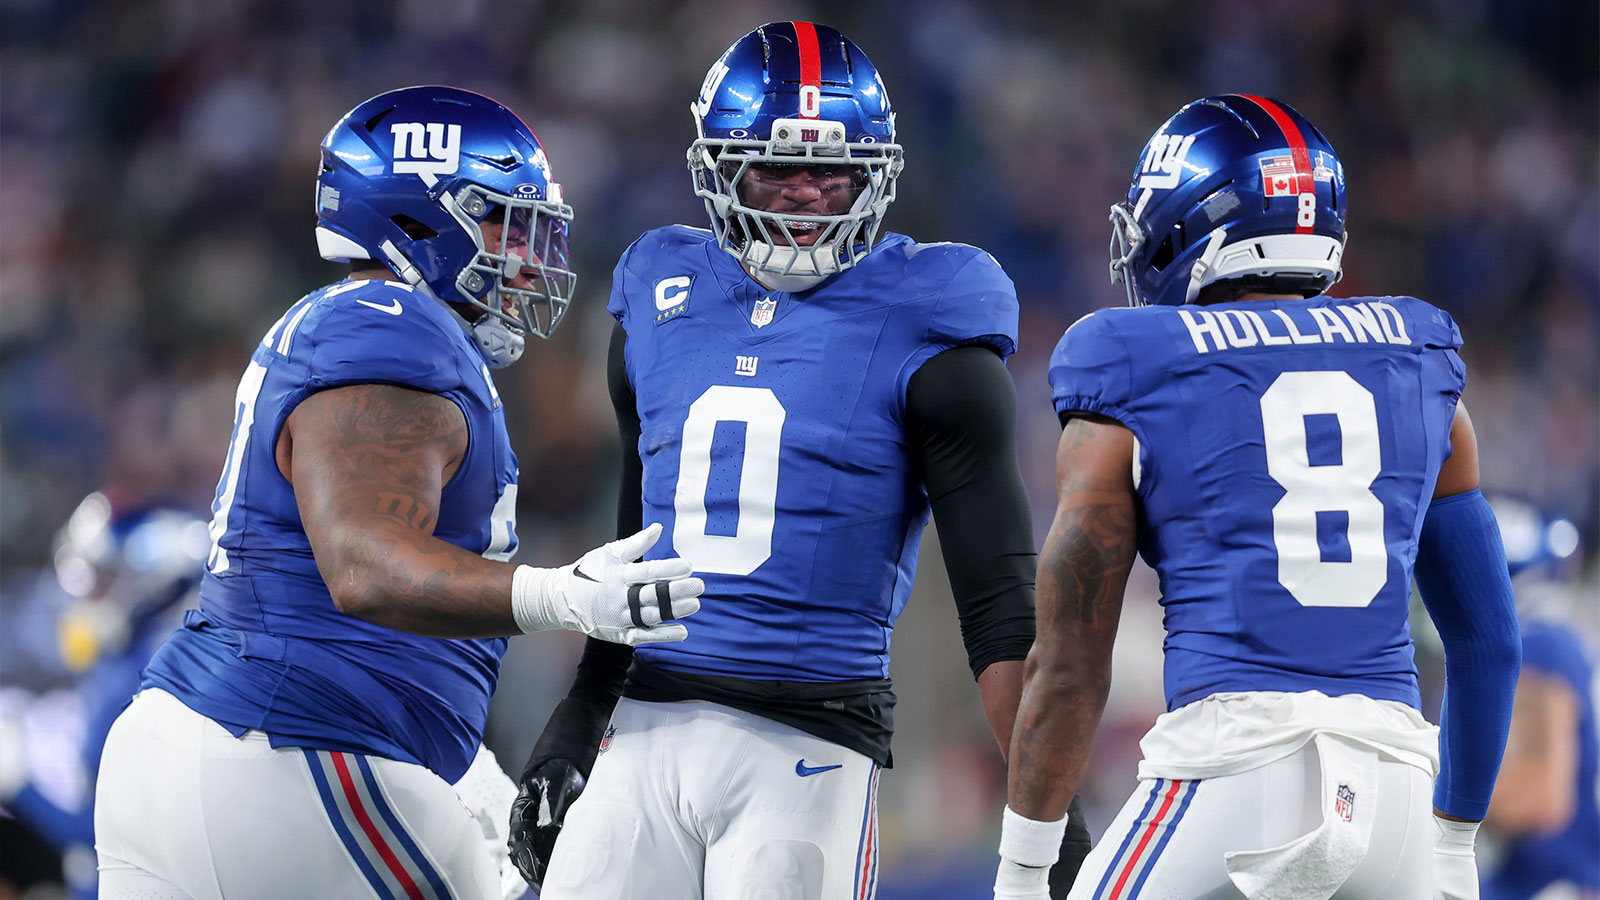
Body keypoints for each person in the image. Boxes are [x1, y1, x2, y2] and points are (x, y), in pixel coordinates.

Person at [507, 21, 1089, 900]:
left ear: (876, 176)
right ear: (720, 167)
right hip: (644, 730)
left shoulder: (929, 314)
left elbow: (1000, 615)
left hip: (809, 744)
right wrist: (581, 713)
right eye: (779, 168)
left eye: (834, 173)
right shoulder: (660, 288)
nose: (808, 194)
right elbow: (632, 552)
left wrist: (1056, 829)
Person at [91, 85, 705, 900]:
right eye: (503, 221)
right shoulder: (390, 324)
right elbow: (362, 564)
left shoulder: (358, 325)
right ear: (417, 220)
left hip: (210, 749)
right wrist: (561, 596)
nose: (530, 255)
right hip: (295, 746)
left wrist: (466, 768)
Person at [995, 95, 1522, 900]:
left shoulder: (1130, 363)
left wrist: (1023, 869)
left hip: (1231, 769)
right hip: (1400, 792)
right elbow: (1490, 644)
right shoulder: (1421, 368)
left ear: (1183, 226)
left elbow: (1069, 665)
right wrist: (1451, 844)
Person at [0, 492, 207, 900]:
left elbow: (106, 839)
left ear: (147, 580)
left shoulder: (153, 679)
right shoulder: (118, 663)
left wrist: (21, 784)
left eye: (103, 578)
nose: (87, 595)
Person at [1480, 500, 1597, 900]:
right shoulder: (1560, 640)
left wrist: (1425, 797)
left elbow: (1538, 798)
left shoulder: (1539, 644)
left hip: (1554, 880)